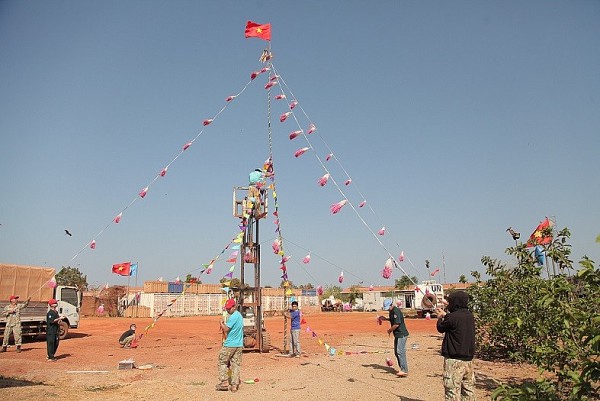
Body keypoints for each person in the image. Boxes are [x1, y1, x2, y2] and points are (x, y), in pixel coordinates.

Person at [436, 291, 476, 401]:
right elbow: (455, 319)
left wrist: (440, 317)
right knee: (468, 391)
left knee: (452, 391)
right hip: (468, 360)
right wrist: (446, 315)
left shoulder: (452, 317)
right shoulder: (469, 315)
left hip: (454, 360)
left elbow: (440, 328)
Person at [216, 298, 243, 393]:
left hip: (230, 344)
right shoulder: (239, 316)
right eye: (226, 308)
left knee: (222, 361)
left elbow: (226, 329)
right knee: (235, 364)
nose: (227, 310)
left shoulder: (233, 317)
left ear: (234, 307)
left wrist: (221, 323)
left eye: (229, 308)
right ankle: (234, 385)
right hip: (239, 344)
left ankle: (224, 382)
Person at [379, 298, 409, 377]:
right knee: (396, 352)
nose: (387, 309)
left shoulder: (396, 311)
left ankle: (404, 370)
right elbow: (393, 320)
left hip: (401, 334)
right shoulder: (391, 311)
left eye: (388, 307)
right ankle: (402, 368)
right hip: (397, 334)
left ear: (391, 305)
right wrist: (385, 319)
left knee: (400, 351)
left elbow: (396, 324)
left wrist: (390, 330)